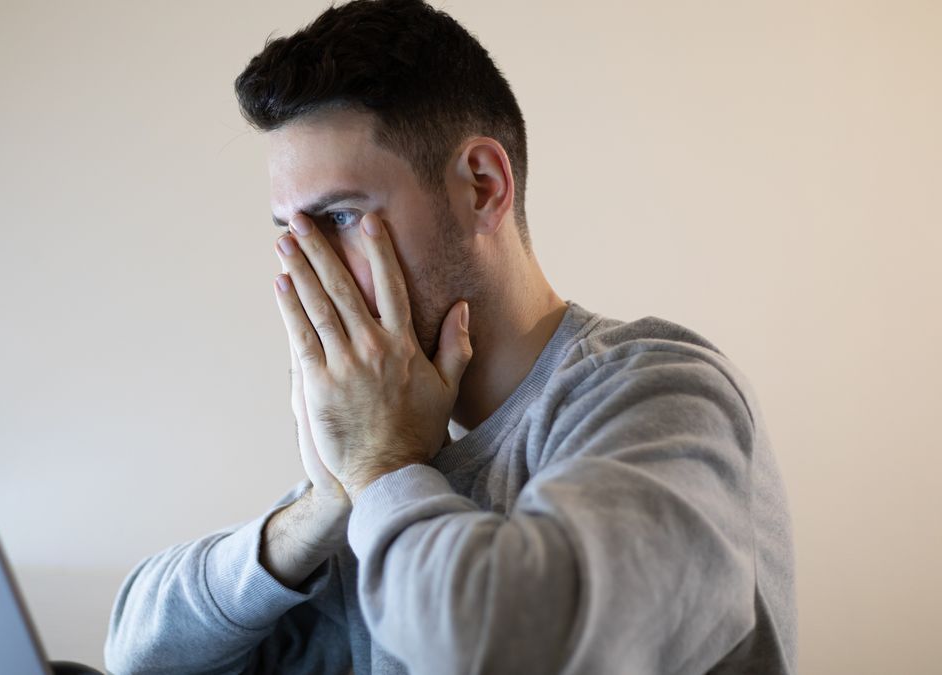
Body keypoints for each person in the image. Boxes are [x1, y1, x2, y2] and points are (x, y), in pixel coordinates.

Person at [104, 0, 796, 672]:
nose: (311, 271)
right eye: (291, 234)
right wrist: (324, 506)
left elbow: (520, 648)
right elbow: (136, 652)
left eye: (339, 218)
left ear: (483, 185)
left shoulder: (664, 392)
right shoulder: (387, 458)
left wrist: (382, 469)